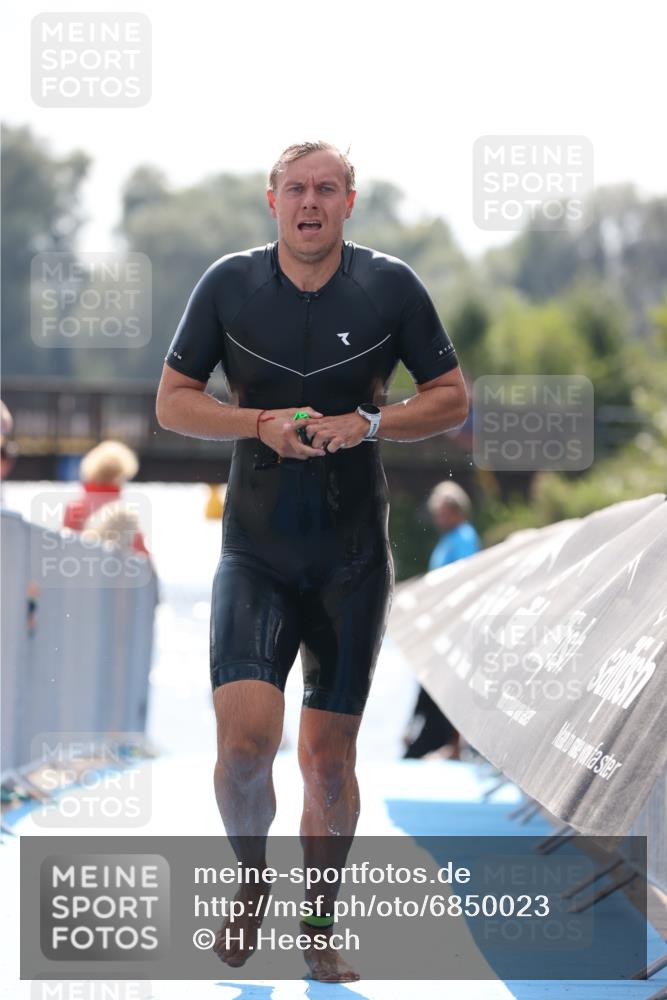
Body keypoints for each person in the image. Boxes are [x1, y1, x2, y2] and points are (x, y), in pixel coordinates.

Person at [155, 140, 468, 982]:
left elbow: (450, 398)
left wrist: (368, 424)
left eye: (327, 189)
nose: (310, 202)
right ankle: (251, 878)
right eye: (296, 188)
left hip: (351, 557)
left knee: (327, 762)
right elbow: (172, 402)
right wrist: (254, 423)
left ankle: (320, 921)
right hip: (254, 553)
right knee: (245, 751)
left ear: (348, 203)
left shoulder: (390, 286)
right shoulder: (228, 284)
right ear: (272, 201)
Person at [403, 481, 480, 760]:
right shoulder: (449, 538)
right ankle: (438, 738)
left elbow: (462, 580)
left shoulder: (463, 537)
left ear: (456, 511)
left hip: (453, 623)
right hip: (440, 621)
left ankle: (455, 744)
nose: (437, 519)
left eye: (441, 512)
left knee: (450, 680)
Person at [62, 440, 149, 556]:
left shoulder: (75, 507)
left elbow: (66, 548)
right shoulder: (125, 514)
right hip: (114, 570)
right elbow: (143, 556)